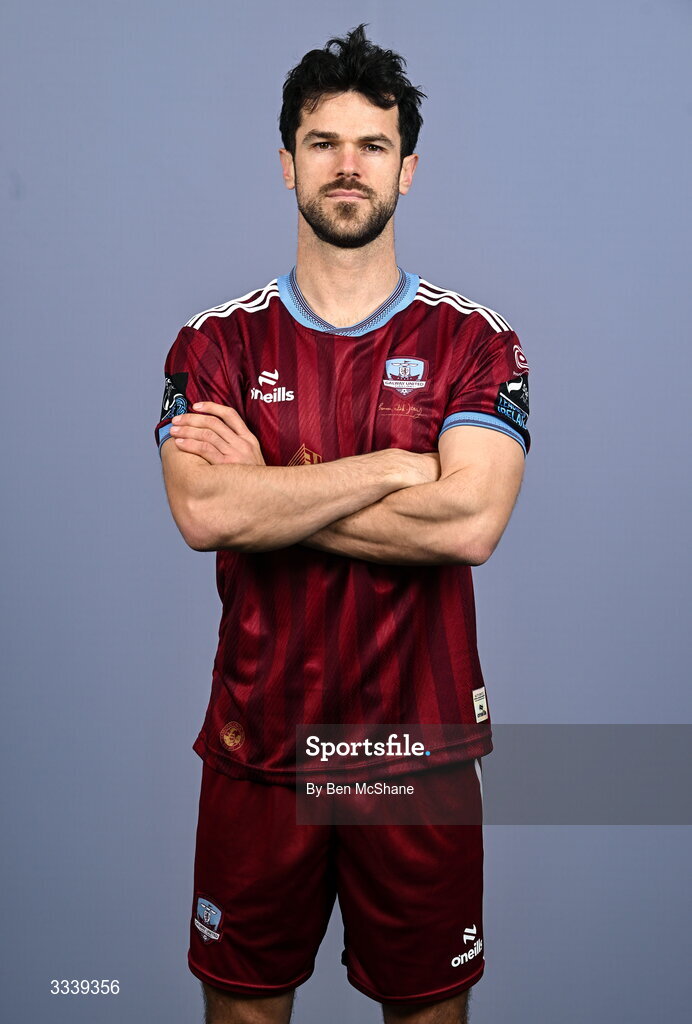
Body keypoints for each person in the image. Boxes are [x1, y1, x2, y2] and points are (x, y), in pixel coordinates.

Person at [154, 24, 530, 1024]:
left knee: (427, 1016)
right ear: (286, 165)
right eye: (322, 142)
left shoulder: (473, 342)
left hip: (419, 762)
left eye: (371, 144)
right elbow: (201, 508)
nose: (347, 165)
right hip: (259, 749)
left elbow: (467, 523)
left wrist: (270, 498)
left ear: (406, 167)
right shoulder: (216, 341)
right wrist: (388, 469)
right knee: (240, 1010)